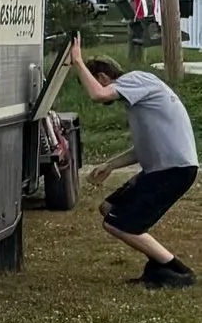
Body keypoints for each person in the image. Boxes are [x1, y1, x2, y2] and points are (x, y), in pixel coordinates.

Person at [68, 36, 197, 288]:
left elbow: (98, 94)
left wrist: (77, 61)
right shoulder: (138, 97)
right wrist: (110, 165)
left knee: (117, 224)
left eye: (95, 80)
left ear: (104, 77)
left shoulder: (134, 79)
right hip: (162, 170)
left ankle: (176, 270)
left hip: (174, 171)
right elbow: (144, 148)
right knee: (109, 208)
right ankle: (158, 266)